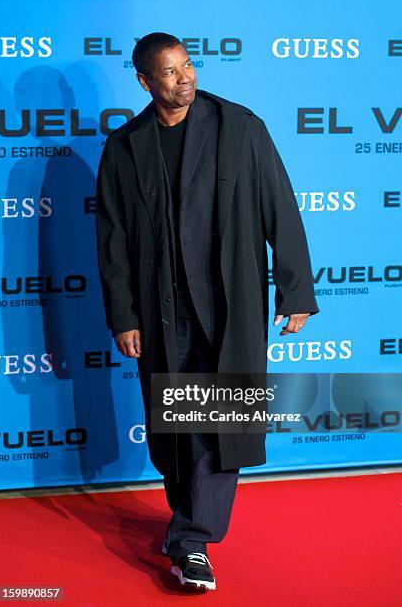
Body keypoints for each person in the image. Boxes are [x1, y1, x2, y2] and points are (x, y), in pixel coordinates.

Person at [95, 32, 319, 592]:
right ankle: (186, 524)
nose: (185, 77)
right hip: (161, 311)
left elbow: (280, 208)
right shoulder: (125, 147)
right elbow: (113, 240)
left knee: (223, 425)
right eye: (170, 72)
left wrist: (295, 291)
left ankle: (193, 541)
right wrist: (124, 315)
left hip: (228, 309)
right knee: (176, 431)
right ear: (145, 82)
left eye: (189, 66)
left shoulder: (239, 127)